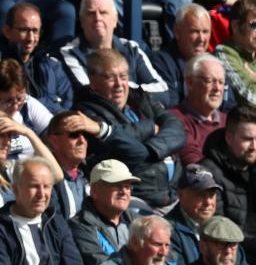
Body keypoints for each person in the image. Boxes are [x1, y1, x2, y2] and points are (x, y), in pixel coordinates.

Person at [76, 48, 185, 209]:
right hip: (136, 199)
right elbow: (129, 148)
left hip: (173, 193)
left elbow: (177, 130)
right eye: (110, 77)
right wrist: (150, 126)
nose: (119, 85)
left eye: (123, 77)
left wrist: (151, 149)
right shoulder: (87, 113)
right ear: (93, 81)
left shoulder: (140, 98)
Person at [199, 106, 256, 265]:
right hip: (230, 259)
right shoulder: (209, 174)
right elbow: (219, 232)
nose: (254, 146)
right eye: (247, 139)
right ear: (229, 138)